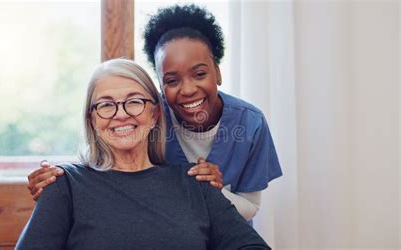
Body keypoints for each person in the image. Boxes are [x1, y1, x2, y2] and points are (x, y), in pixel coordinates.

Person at [27, 4, 282, 221]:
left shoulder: (251, 124)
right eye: (172, 80)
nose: (188, 89)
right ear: (160, 86)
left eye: (200, 74)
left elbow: (250, 207)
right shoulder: (145, 117)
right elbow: (108, 174)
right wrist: (59, 187)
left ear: (217, 72)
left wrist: (213, 191)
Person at [16, 58, 270, 249]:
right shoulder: (65, 185)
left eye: (135, 101)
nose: (121, 113)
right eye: (105, 105)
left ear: (155, 113)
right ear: (92, 119)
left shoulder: (195, 183)